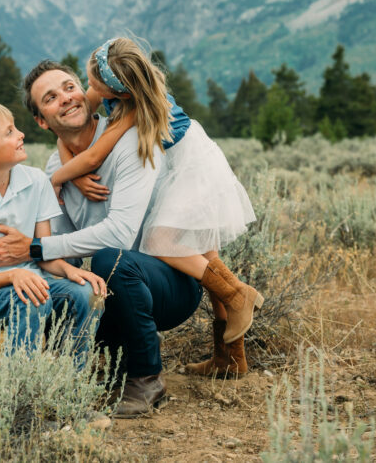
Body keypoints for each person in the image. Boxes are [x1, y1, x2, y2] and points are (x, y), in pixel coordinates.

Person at [0, 60, 196, 417]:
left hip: (170, 280)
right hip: (119, 287)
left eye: (68, 87)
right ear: (42, 121)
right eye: (50, 97)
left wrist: (36, 246)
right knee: (53, 283)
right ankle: (99, 356)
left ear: (86, 93)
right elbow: (59, 244)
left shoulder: (131, 137)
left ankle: (146, 378)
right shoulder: (53, 169)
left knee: (112, 258)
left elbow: (122, 232)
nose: (64, 98)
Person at [49, 38, 261, 377]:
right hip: (186, 163)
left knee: (161, 242)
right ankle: (230, 358)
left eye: (93, 84)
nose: (89, 90)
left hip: (188, 168)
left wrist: (57, 178)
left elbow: (92, 156)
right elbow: (67, 131)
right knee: (207, 257)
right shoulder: (120, 85)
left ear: (120, 90)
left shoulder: (130, 109)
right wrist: (72, 174)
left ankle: (237, 296)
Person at [0, 102, 105, 353]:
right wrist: (13, 275)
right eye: (9, 132)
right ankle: (20, 386)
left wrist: (68, 271)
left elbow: (43, 255)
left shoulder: (37, 181)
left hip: (35, 282)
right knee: (32, 300)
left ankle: (68, 378)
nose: (21, 134)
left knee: (85, 294)